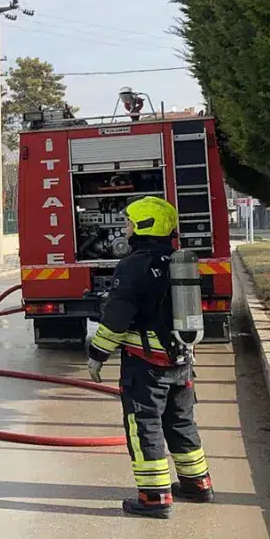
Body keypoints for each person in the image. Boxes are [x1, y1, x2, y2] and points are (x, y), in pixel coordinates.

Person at [85, 196, 213, 519]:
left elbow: (117, 318)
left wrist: (97, 355)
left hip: (147, 367)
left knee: (144, 425)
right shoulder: (177, 260)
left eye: (129, 222)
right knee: (181, 422)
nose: (126, 228)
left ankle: (155, 497)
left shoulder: (133, 266)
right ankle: (198, 483)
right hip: (182, 362)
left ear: (143, 226)